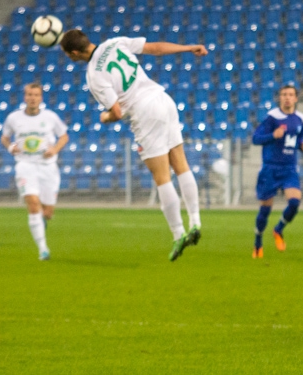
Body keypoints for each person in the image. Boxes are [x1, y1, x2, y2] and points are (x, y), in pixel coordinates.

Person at [60, 29, 205, 262]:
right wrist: (188, 47)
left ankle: (179, 233)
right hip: (163, 99)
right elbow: (155, 48)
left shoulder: (94, 75)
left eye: (68, 54)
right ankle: (195, 221)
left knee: (162, 177)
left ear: (74, 52)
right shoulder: (114, 43)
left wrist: (105, 117)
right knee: (181, 164)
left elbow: (117, 112)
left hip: (144, 112)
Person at [1, 83, 69, 261]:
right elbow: (5, 137)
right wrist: (10, 147)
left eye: (36, 95)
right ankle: (43, 249)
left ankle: (41, 222)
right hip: (25, 165)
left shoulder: (50, 117)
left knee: (47, 212)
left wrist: (55, 149)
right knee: (32, 204)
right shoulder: (14, 118)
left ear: (41, 98)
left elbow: (64, 136)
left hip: (47, 166)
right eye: (29, 94)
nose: (32, 98)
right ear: (25, 97)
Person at [251, 85, 303, 258]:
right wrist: (272, 136)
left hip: (289, 168)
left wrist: (301, 146)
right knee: (265, 210)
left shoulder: (300, 118)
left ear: (296, 98)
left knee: (294, 202)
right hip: (270, 169)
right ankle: (258, 242)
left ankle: (278, 229)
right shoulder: (272, 117)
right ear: (279, 98)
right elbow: (255, 138)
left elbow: (298, 138)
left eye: (290, 95)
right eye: (284, 94)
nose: (287, 97)